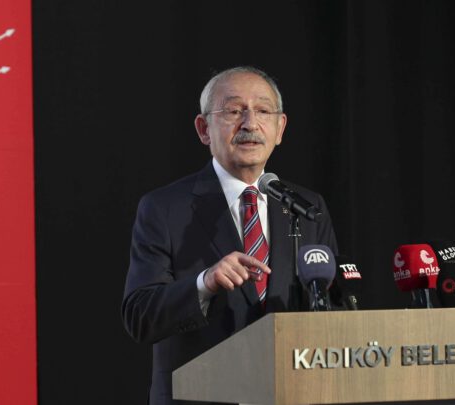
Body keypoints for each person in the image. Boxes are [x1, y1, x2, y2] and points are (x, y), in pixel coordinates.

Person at [122, 66, 339, 405]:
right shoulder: (163, 208)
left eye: (263, 111)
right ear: (203, 129)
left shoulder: (307, 208)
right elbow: (140, 317)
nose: (250, 123)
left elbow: (332, 306)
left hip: (288, 393)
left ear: (280, 128)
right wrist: (204, 283)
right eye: (234, 111)